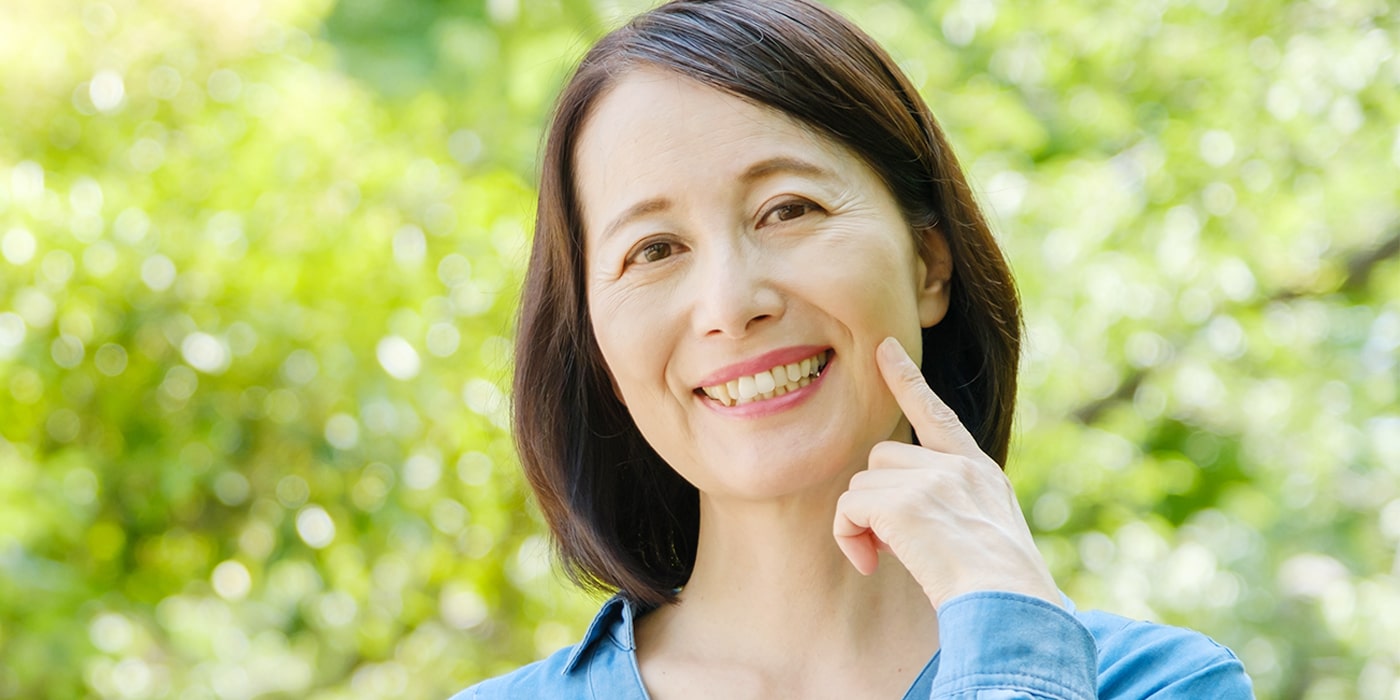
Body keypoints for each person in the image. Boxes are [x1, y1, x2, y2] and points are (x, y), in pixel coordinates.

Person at [454, 0, 1253, 697]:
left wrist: (1010, 649)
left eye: (789, 209)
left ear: (928, 264)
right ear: (598, 348)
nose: (731, 306)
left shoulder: (1161, 687)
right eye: (655, 250)